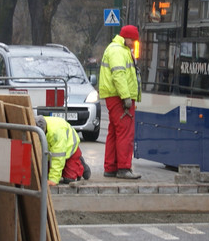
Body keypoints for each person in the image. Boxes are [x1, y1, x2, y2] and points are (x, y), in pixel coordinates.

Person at [99, 24, 141, 179]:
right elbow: (119, 75)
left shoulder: (116, 49)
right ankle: (123, 168)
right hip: (119, 98)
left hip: (113, 97)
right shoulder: (118, 51)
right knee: (125, 132)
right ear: (127, 37)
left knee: (114, 132)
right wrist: (126, 97)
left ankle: (110, 167)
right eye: (133, 40)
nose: (134, 43)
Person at [36, 114, 91, 186]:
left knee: (69, 179)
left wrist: (53, 180)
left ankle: (82, 165)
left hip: (70, 149)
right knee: (45, 176)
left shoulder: (56, 133)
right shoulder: (37, 126)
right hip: (52, 153)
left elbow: (58, 158)